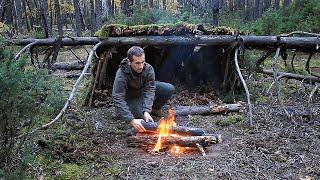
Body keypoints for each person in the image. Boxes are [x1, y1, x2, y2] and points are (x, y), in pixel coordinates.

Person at [112, 46, 175, 132]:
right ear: (129, 62)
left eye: (142, 62)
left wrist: (147, 110)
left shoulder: (148, 68)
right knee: (140, 117)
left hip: (141, 92)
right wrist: (131, 120)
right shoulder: (121, 74)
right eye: (137, 63)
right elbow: (117, 97)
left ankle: (154, 109)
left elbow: (150, 89)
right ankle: (124, 112)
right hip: (130, 98)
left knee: (169, 88)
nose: (141, 66)